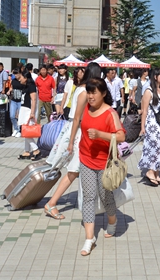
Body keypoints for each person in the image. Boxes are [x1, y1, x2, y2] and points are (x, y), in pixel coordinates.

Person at [45, 64, 103, 220]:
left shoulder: (81, 88)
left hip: (75, 130)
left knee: (76, 170)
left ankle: (82, 203)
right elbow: (77, 117)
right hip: (77, 132)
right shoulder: (85, 91)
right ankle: (51, 203)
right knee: (74, 170)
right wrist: (71, 142)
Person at [77, 77, 125, 256]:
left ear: (103, 93)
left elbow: (121, 137)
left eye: (93, 92)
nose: (90, 96)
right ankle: (89, 239)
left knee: (106, 197)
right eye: (88, 92)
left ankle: (112, 221)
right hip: (85, 158)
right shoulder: (86, 108)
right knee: (89, 197)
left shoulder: (110, 113)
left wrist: (100, 135)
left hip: (105, 162)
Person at [138, 68, 160, 186]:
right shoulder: (148, 91)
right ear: (155, 77)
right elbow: (144, 111)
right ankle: (150, 172)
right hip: (151, 123)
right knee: (158, 146)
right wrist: (142, 127)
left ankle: (156, 173)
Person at [16, 70, 41, 160]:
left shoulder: (32, 86)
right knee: (25, 131)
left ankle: (36, 149)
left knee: (27, 133)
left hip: (29, 111)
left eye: (21, 77)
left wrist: (32, 113)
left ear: (26, 78)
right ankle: (26, 151)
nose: (19, 80)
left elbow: (34, 100)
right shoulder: (25, 86)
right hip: (24, 109)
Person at [9, 68, 23, 137]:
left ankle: (20, 130)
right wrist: (9, 91)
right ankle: (15, 128)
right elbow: (11, 87)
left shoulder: (22, 81)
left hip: (21, 101)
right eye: (15, 74)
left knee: (20, 116)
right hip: (13, 100)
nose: (16, 75)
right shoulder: (13, 80)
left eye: (17, 74)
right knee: (12, 115)